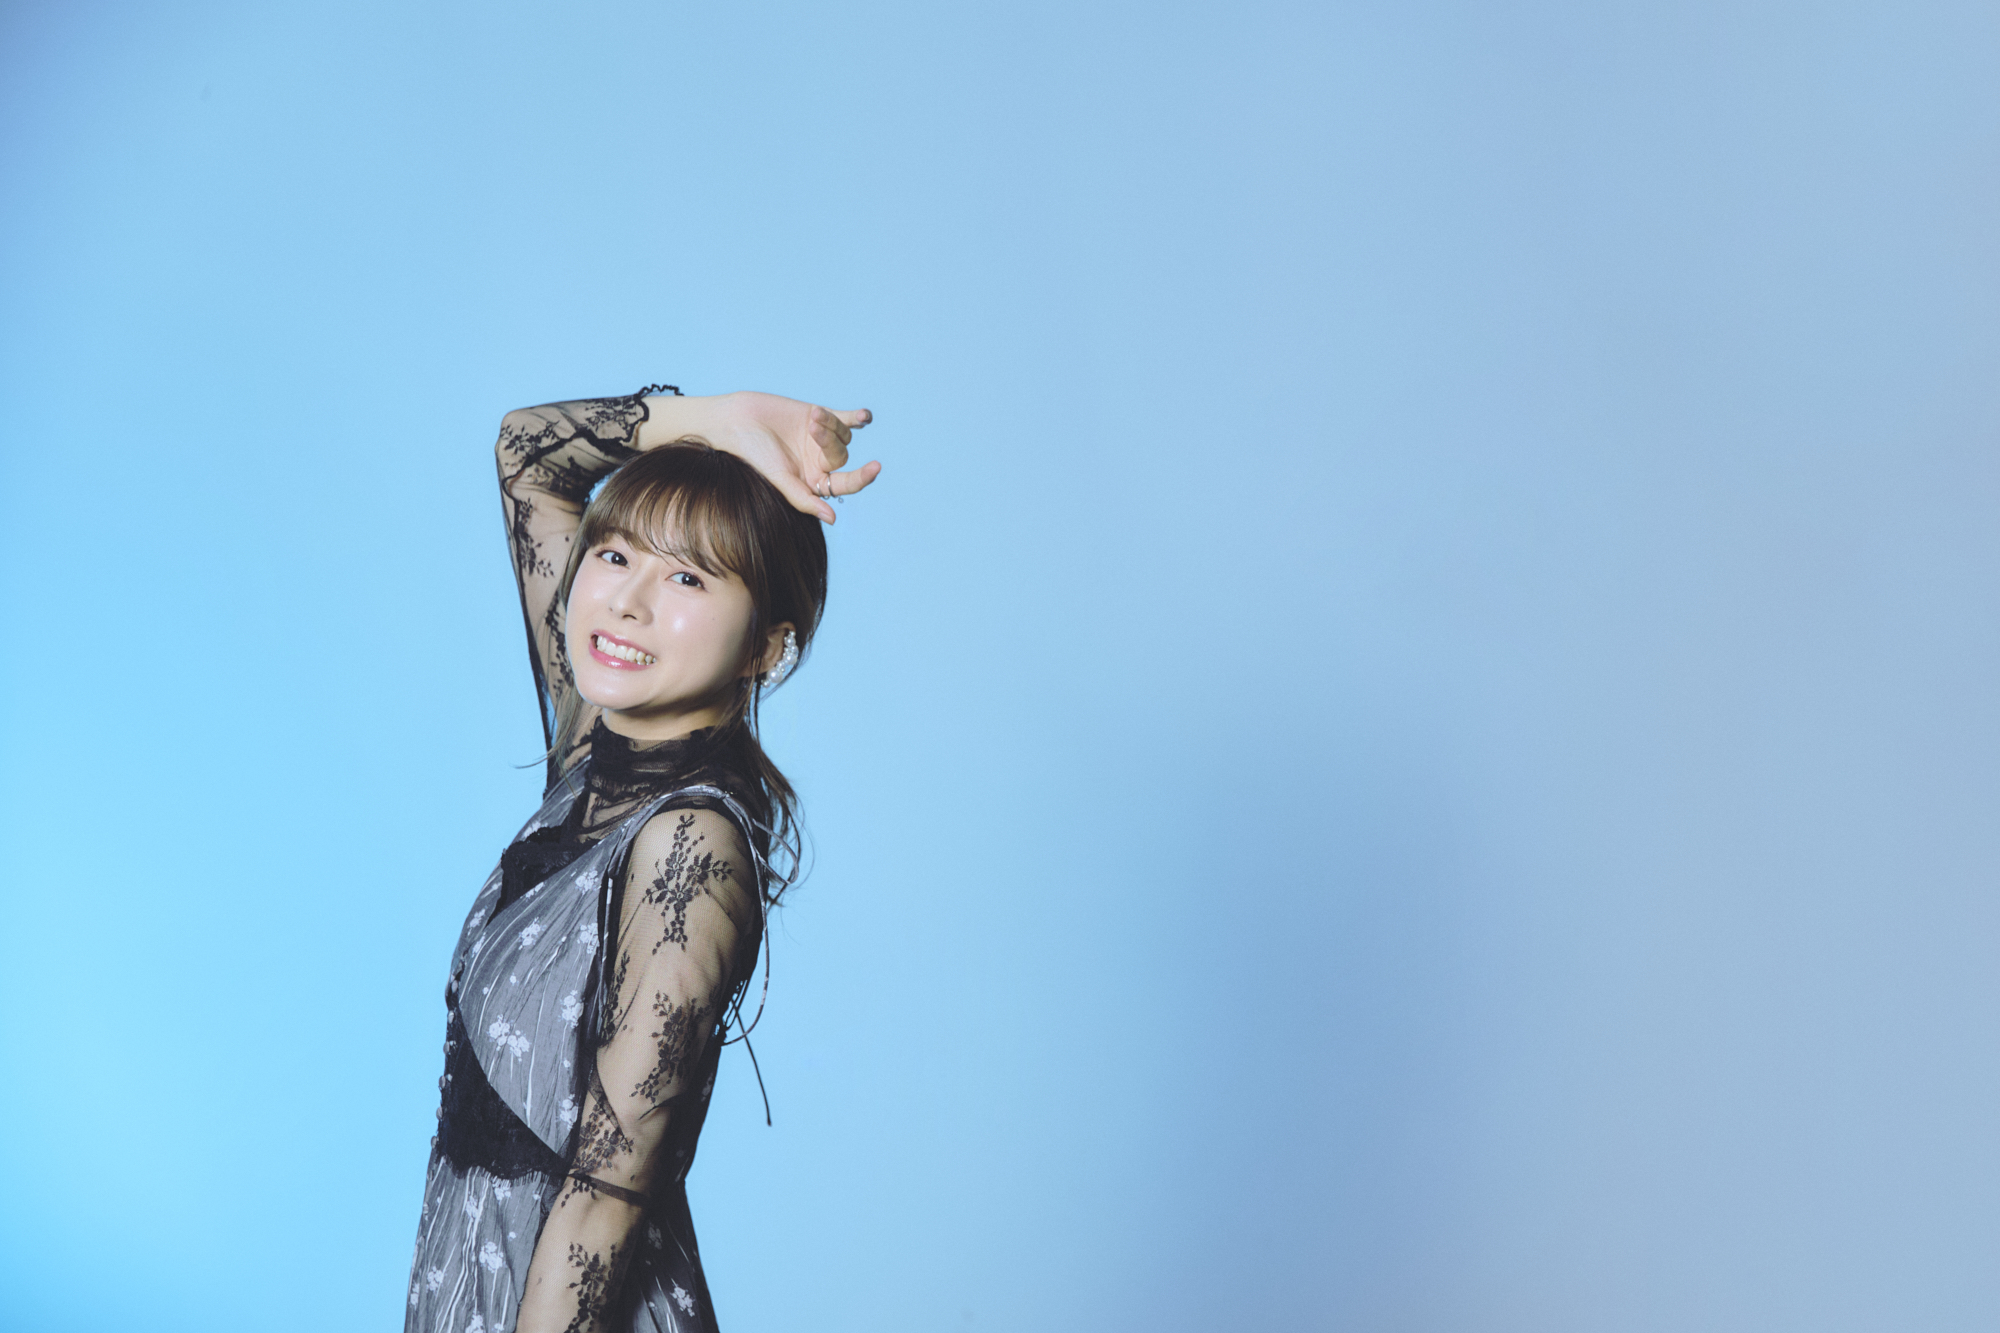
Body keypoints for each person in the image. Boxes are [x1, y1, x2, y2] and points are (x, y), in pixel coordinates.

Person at [404, 388, 878, 1333]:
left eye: (688, 578)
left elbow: (604, 1200)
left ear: (767, 647)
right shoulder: (593, 750)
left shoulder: (688, 845)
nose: (625, 600)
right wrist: (722, 420)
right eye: (615, 554)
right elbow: (528, 453)